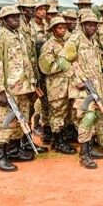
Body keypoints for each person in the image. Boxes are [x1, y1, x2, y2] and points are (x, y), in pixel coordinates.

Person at [61, 13, 103, 169]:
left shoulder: (93, 40)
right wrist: (77, 80)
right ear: (82, 25)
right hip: (82, 90)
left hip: (96, 88)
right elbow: (62, 60)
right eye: (89, 24)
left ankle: (94, 144)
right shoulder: (74, 39)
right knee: (87, 117)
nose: (93, 27)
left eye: (95, 25)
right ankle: (84, 155)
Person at [0, 6, 43, 172]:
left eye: (17, 17)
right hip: (8, 90)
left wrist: (32, 85)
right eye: (12, 18)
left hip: (23, 88)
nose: (16, 20)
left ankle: (13, 151)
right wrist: (0, 91)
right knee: (4, 123)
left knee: (21, 121)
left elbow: (27, 64)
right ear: (3, 20)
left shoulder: (19, 36)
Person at [37, 17, 76, 155]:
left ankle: (61, 139)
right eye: (60, 28)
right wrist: (64, 63)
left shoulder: (68, 42)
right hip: (56, 85)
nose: (63, 30)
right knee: (57, 113)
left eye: (64, 27)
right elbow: (46, 68)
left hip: (69, 84)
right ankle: (57, 141)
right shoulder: (48, 46)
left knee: (66, 113)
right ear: (53, 29)